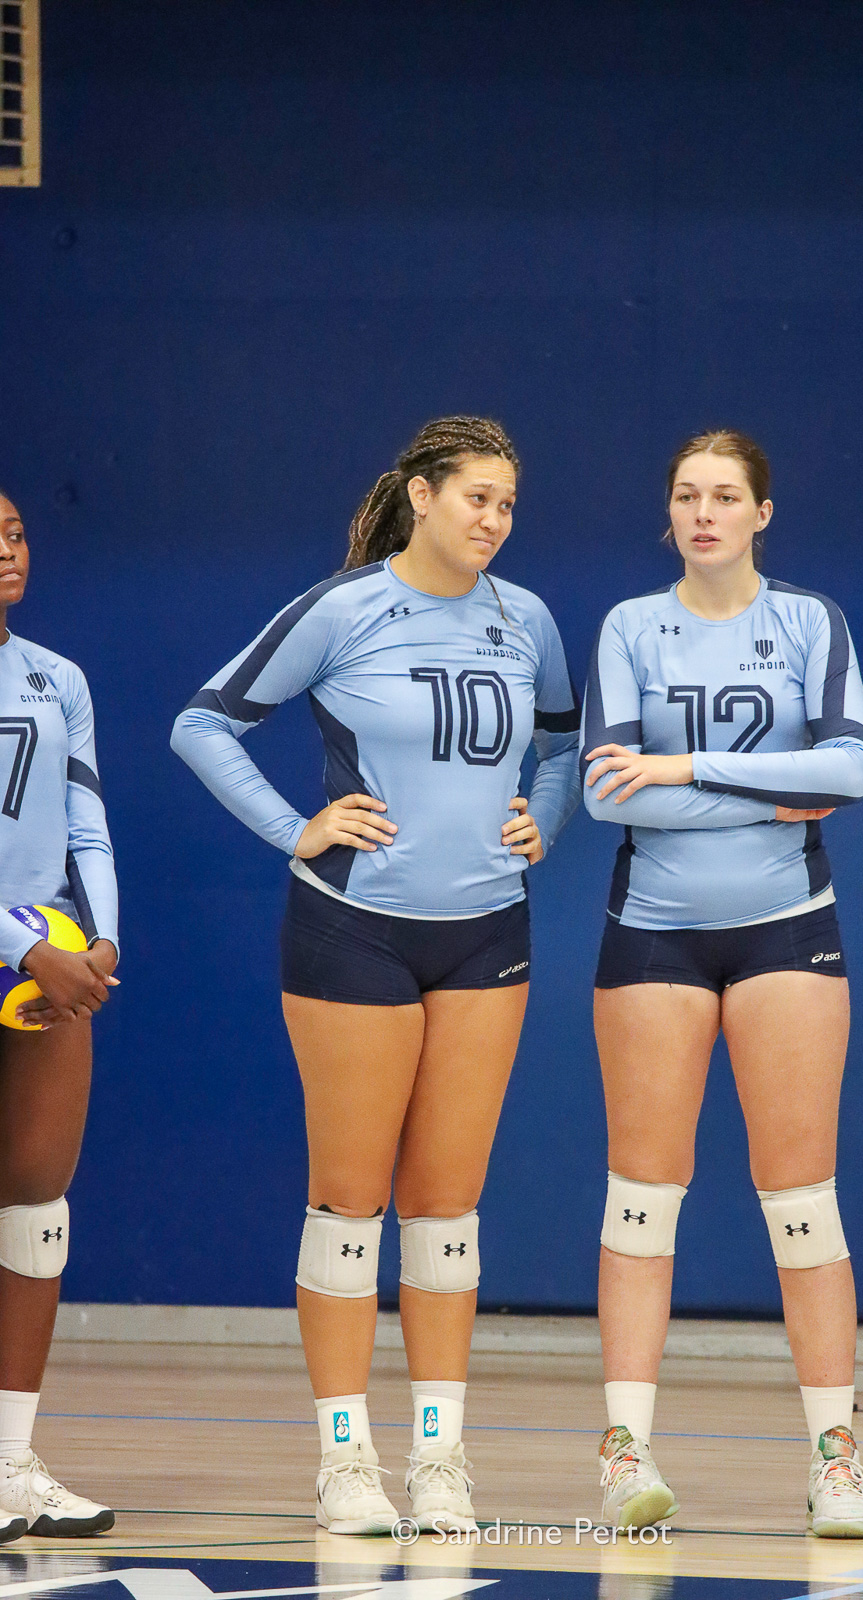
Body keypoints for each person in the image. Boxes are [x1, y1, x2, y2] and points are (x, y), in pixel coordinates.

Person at [172, 416, 581, 1536]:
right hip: (354, 932)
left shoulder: (527, 619)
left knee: (447, 1212)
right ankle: (344, 1461)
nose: (492, 520)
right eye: (475, 497)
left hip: (487, 933)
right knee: (351, 1202)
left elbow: (561, 742)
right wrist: (292, 826)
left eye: (507, 503)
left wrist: (541, 819)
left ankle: (440, 1461)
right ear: (420, 493)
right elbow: (203, 722)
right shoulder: (343, 607)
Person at [581, 429, 863, 1537]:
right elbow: (611, 792)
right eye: (684, 495)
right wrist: (768, 791)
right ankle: (623, 1452)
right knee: (641, 1199)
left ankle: (836, 1459)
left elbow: (848, 768)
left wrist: (689, 766)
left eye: (724, 496)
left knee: (802, 1205)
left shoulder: (809, 622)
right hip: (653, 935)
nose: (703, 512)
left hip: (783, 934)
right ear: (668, 515)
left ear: (762, 512)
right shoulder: (628, 626)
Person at [0, 492, 120, 1539]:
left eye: (17, 531)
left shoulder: (56, 676)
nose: (7, 548)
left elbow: (85, 813)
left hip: (50, 971)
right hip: (23, 955)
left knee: (36, 1207)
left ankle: (10, 1464)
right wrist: (22, 944)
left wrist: (100, 938)